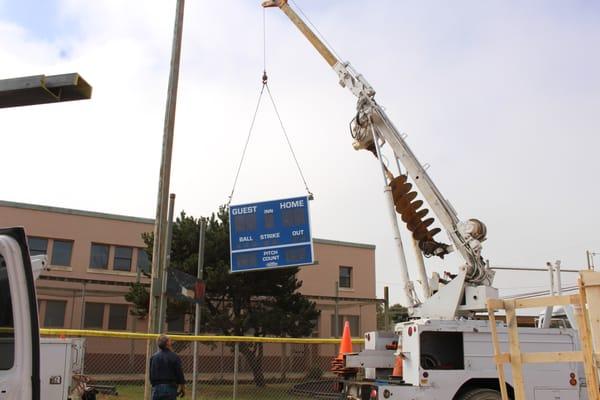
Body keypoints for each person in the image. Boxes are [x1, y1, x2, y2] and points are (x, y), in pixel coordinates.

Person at [149, 334, 186, 399]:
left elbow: (151, 375)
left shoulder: (154, 357)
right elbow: (179, 373)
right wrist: (182, 387)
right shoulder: (174, 356)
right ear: (167, 343)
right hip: (170, 387)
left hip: (157, 388)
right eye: (170, 341)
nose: (171, 342)